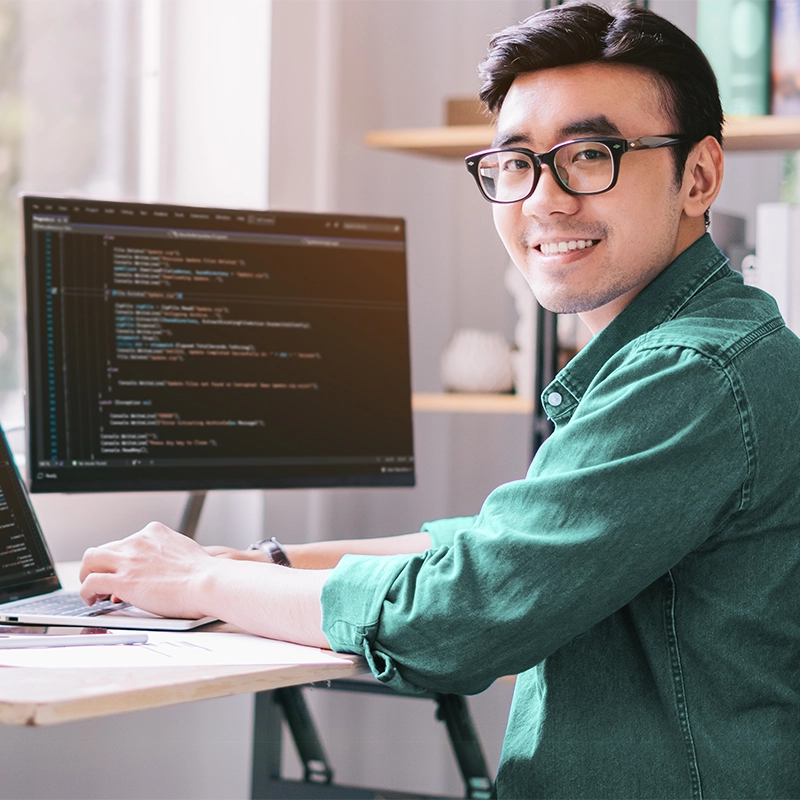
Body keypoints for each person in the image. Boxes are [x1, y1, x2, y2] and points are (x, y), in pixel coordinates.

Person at [80, 3, 800, 797]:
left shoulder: (689, 373)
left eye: (590, 155)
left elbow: (464, 612)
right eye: (515, 163)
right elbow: (510, 545)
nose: (544, 201)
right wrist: (259, 564)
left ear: (698, 176)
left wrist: (195, 584)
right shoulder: (712, 345)